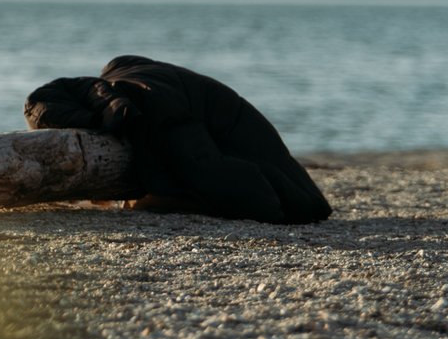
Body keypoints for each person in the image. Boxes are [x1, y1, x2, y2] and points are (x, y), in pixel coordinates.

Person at [24, 55, 330, 224]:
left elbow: (254, 198)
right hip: (255, 141)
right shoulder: (130, 74)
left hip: (288, 188)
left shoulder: (142, 101)